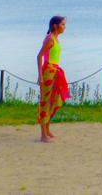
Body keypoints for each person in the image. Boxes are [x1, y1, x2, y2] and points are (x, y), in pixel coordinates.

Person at [37, 15, 70, 143]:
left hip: (55, 72)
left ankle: (47, 129)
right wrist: (40, 76)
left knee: (54, 100)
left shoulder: (55, 38)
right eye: (63, 24)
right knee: (45, 102)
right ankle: (43, 135)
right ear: (55, 26)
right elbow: (39, 56)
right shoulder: (50, 39)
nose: (64, 27)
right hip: (48, 73)